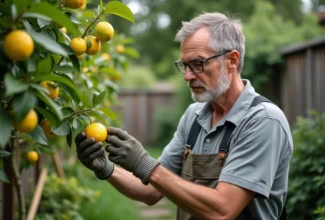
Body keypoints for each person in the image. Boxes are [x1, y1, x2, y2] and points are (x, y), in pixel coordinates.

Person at [75, 12, 293, 219]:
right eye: (185, 65)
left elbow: (223, 210)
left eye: (198, 63)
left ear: (232, 60)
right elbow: (152, 191)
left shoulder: (263, 121)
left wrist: (144, 163)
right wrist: (105, 167)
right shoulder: (194, 116)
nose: (188, 76)